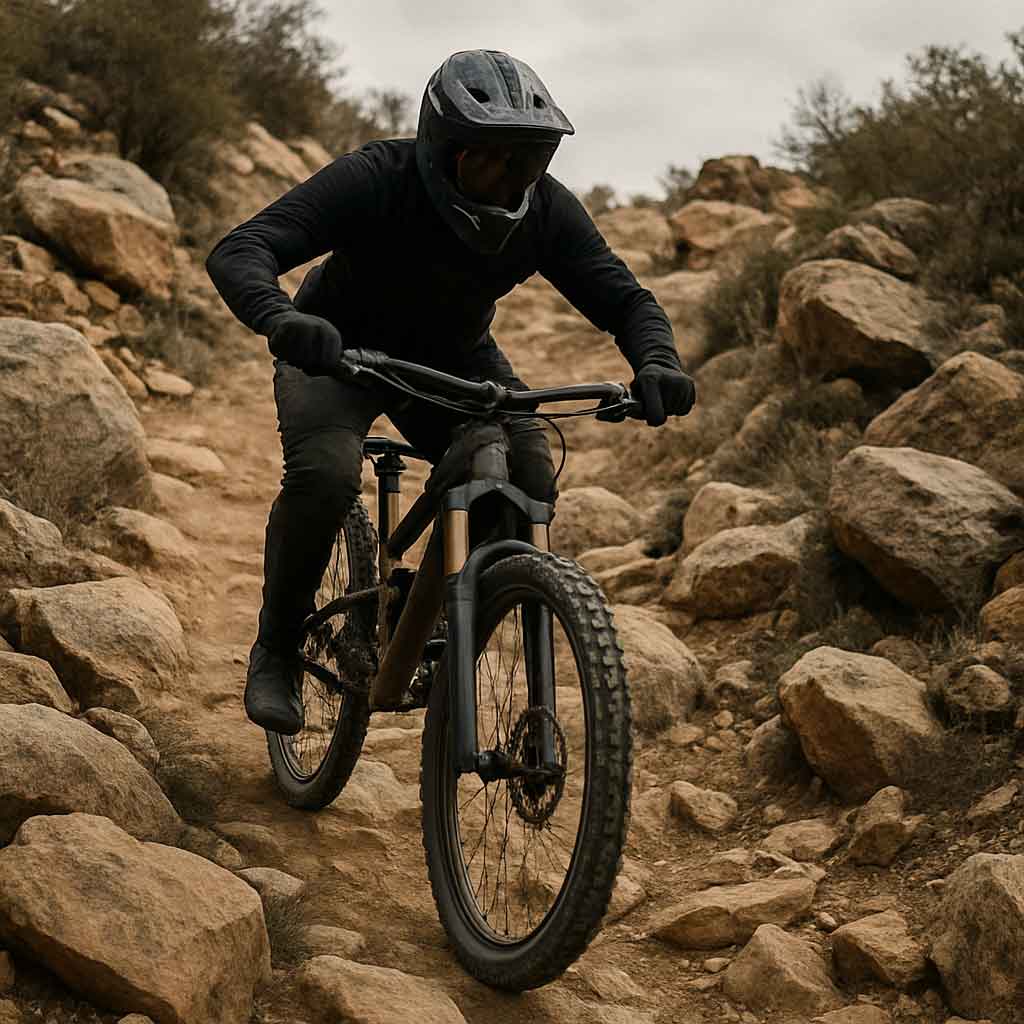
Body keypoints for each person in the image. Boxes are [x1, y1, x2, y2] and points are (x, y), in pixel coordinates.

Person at [206, 49, 696, 735]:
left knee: (526, 470)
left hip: (453, 360)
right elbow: (242, 249)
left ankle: (428, 616)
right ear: (446, 150)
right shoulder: (378, 178)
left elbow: (624, 299)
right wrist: (285, 319)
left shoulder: (545, 212)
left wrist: (657, 361)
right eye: (493, 160)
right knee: (323, 472)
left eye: (530, 161)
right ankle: (279, 648)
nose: (511, 180)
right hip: (339, 351)